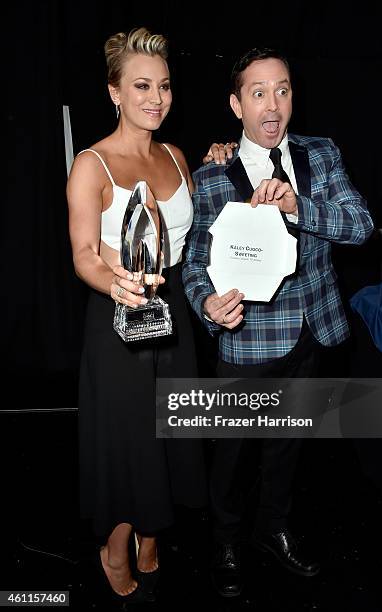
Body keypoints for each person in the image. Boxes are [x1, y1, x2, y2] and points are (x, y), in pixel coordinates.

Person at [183, 47, 374, 597]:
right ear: (236, 104)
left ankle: (274, 528)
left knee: (287, 442)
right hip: (247, 339)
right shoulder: (213, 176)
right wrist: (207, 305)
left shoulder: (321, 154)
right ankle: (224, 537)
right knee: (231, 447)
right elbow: (195, 265)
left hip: (314, 330)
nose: (273, 106)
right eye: (259, 93)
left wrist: (297, 207)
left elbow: (361, 225)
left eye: (283, 90)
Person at [66, 27, 206, 603]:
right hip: (118, 316)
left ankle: (153, 527)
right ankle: (117, 542)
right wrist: (117, 284)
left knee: (169, 434)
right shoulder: (91, 164)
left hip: (173, 314)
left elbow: (189, 243)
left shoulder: (175, 154)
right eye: (142, 86)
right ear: (115, 92)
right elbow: (82, 256)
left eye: (165, 86)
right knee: (126, 442)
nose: (157, 98)